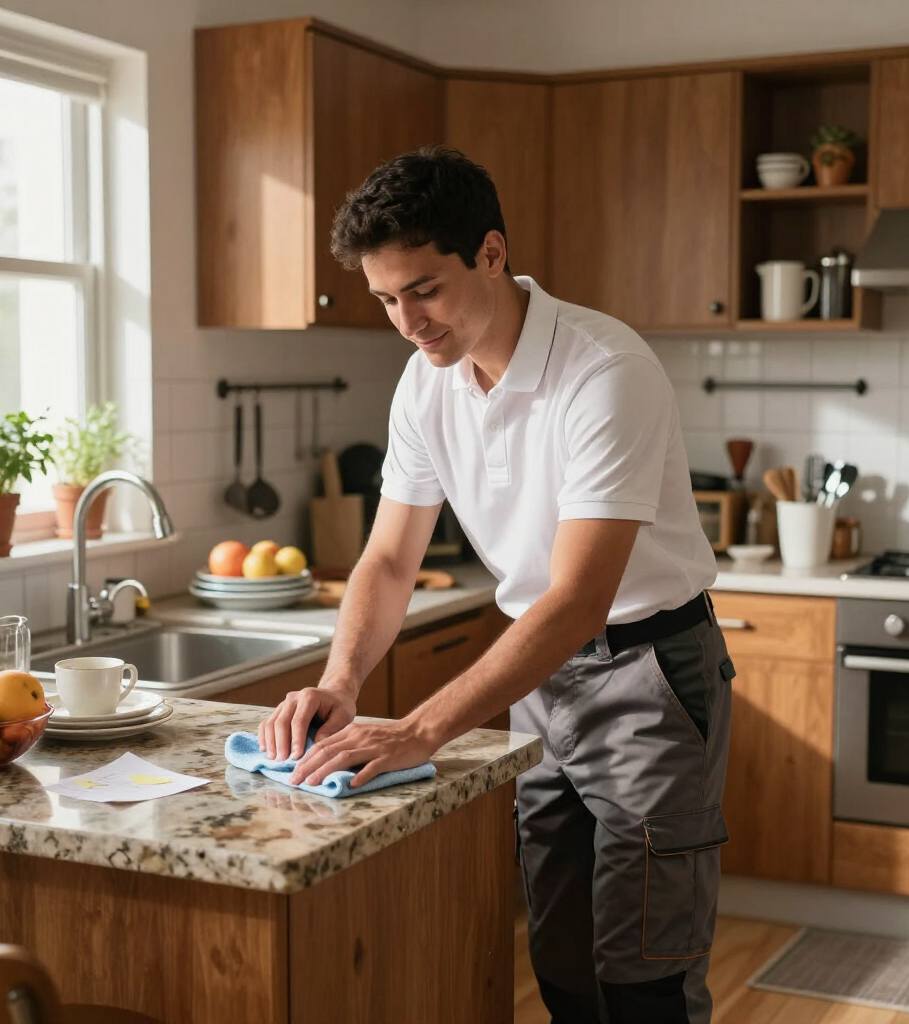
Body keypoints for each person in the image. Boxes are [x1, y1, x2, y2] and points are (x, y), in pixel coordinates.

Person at [258, 146, 734, 1024]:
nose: (407, 321)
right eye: (386, 299)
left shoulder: (604, 371)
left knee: (644, 979)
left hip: (648, 677)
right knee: (559, 963)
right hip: (540, 681)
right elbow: (390, 559)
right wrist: (339, 683)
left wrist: (419, 729)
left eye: (424, 290)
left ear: (490, 252)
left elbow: (579, 597)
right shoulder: (424, 384)